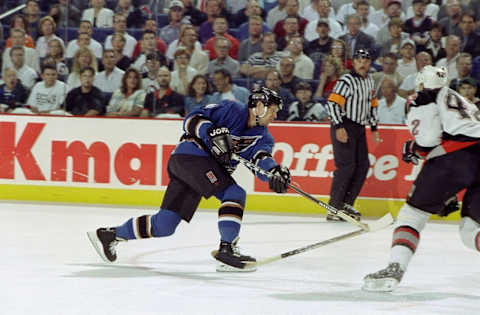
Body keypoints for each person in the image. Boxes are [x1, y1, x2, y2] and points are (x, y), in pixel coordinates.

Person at [87, 86, 291, 272]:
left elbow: (260, 160)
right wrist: (210, 132)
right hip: (192, 157)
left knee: (164, 225)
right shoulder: (232, 109)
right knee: (234, 193)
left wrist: (274, 173)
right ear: (260, 106)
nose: (274, 115)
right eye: (273, 110)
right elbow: (191, 119)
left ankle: (109, 235)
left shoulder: (263, 137)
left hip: (196, 169)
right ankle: (227, 250)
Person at [362, 65, 480, 292]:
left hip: (457, 156)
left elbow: (427, 140)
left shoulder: (422, 97)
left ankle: (395, 266)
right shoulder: (457, 97)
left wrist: (413, 148)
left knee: (412, 214)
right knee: (470, 229)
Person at [325, 49, 382, 221]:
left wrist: (373, 127)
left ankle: (347, 204)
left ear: (369, 63)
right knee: (346, 167)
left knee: (362, 166)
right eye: (359, 60)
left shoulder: (370, 80)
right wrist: (339, 126)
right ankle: (334, 207)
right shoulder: (346, 81)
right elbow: (332, 104)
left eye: (365, 60)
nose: (362, 64)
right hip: (345, 124)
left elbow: (372, 104)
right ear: (353, 62)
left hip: (359, 127)